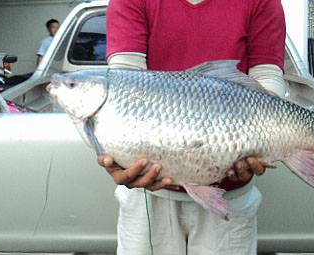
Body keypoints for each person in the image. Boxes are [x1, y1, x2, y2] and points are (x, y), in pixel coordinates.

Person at [102, 0, 287, 254]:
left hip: (230, 195)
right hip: (149, 196)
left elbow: (266, 76)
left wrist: (259, 142)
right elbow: (126, 81)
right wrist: (121, 154)